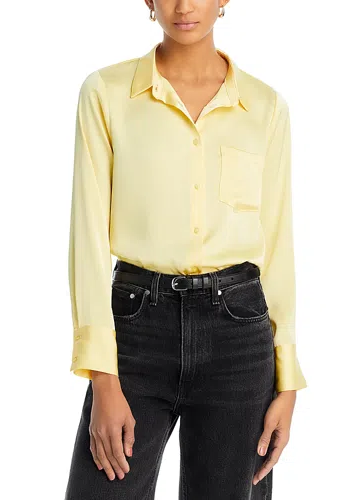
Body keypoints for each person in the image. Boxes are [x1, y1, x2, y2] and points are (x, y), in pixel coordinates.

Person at [64, 1, 307, 499]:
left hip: (238, 336)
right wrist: (103, 377)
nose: (184, 6)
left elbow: (278, 242)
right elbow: (86, 237)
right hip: (136, 329)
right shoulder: (106, 94)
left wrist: (286, 379)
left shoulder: (265, 108)